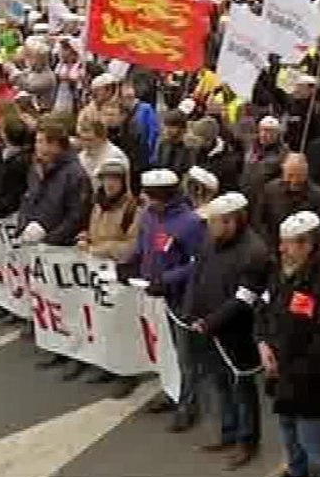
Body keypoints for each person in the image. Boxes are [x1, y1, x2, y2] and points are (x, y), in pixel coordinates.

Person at [183, 192, 270, 469]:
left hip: (237, 333)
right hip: (209, 328)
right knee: (220, 383)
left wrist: (211, 323)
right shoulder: (211, 241)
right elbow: (197, 277)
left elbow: (244, 300)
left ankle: (248, 441)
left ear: (231, 222)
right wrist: (191, 312)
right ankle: (228, 431)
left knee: (243, 387)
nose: (209, 227)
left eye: (214, 222)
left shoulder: (254, 252)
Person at [257, 211, 320, 477]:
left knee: (310, 434)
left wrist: (300, 367)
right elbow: (265, 309)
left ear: (307, 244)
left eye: (289, 243)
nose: (281, 248)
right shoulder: (279, 271)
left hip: (307, 375)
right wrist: (264, 343)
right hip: (280, 367)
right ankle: (296, 473)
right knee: (286, 427)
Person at [135, 168, 206, 431]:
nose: (150, 200)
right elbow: (143, 247)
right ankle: (172, 390)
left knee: (187, 355)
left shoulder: (190, 222)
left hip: (182, 299)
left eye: (155, 195)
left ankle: (189, 404)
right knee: (168, 351)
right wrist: (131, 266)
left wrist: (167, 279)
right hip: (157, 294)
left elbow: (198, 264)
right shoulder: (148, 217)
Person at [22, 118, 94, 377]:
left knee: (72, 303)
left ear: (56, 145)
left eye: (41, 141)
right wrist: (26, 224)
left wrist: (51, 237)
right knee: (51, 300)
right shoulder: (39, 168)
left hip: (63, 248)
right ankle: (58, 346)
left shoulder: (75, 174)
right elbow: (30, 198)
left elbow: (77, 214)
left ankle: (79, 354)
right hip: (43, 247)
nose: (37, 146)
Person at [79, 160, 142, 393]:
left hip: (119, 272)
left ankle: (127, 373)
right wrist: (85, 237)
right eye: (106, 179)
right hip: (99, 271)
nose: (110, 184)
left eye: (114, 179)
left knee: (123, 324)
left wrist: (100, 249)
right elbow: (91, 228)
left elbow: (132, 247)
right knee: (101, 321)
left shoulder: (132, 208)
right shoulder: (98, 204)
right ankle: (107, 363)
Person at [255, 153, 320, 249]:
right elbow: (259, 221)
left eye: (299, 176)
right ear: (283, 172)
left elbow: (319, 228)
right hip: (273, 245)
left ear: (306, 173)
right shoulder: (270, 189)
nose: (294, 181)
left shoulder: (318, 195)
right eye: (290, 175)